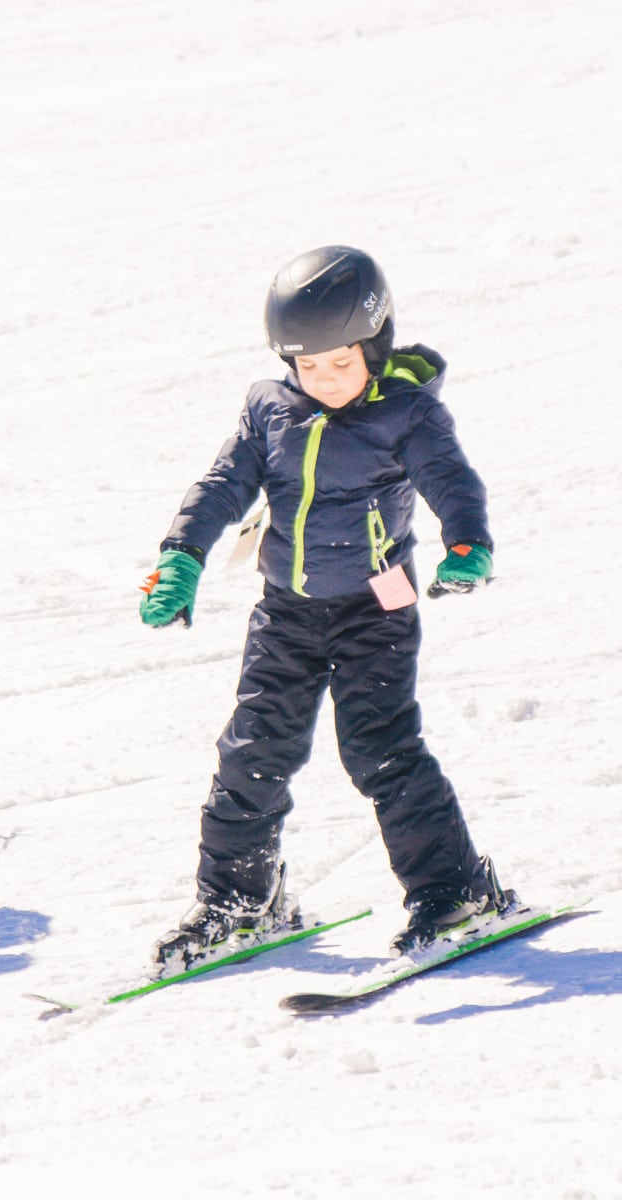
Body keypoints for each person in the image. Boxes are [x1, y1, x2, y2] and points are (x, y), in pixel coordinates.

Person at [139, 244, 510, 972]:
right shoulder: (269, 411)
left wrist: (467, 543)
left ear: (376, 345)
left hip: (379, 604)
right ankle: (239, 901)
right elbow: (222, 484)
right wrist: (181, 555)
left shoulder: (407, 416)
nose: (326, 380)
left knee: (381, 750)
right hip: (287, 610)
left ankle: (456, 892)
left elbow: (452, 482)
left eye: (342, 363)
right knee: (253, 751)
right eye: (309, 366)